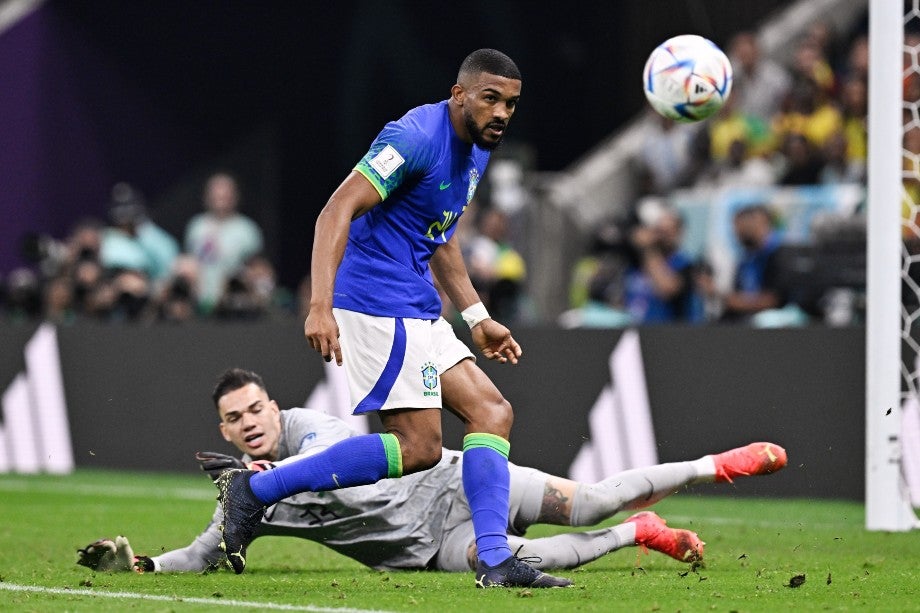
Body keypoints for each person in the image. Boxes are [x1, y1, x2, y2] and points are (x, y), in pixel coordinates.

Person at [215, 48, 569, 589]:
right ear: (460, 95)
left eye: (511, 105)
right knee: (419, 447)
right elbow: (335, 210)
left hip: (416, 303)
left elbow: (440, 238)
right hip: (376, 300)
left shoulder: (477, 148)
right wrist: (319, 304)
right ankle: (256, 491)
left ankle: (495, 561)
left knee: (492, 413)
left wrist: (477, 317)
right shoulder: (414, 138)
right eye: (490, 99)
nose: (501, 113)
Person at [76, 368, 788, 575]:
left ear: (273, 405)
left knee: (588, 498)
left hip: (454, 481)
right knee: (501, 563)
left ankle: (709, 464)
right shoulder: (245, 499)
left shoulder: (308, 432)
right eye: (235, 419)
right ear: (222, 430)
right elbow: (208, 551)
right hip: (421, 548)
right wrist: (141, 566)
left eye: (257, 408)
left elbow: (330, 451)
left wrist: (268, 476)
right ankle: (640, 534)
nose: (251, 422)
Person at [184, 173, 264, 314]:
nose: (220, 200)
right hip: (200, 301)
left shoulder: (247, 229)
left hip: (233, 305)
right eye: (216, 196)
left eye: (225, 196)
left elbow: (258, 269)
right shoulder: (196, 226)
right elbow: (190, 261)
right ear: (207, 197)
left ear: (234, 197)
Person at [623, 207, 701, 324]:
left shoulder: (685, 264)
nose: (662, 237)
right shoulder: (637, 263)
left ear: (679, 233)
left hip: (667, 334)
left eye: (668, 232)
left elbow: (666, 289)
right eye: (659, 231)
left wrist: (649, 249)